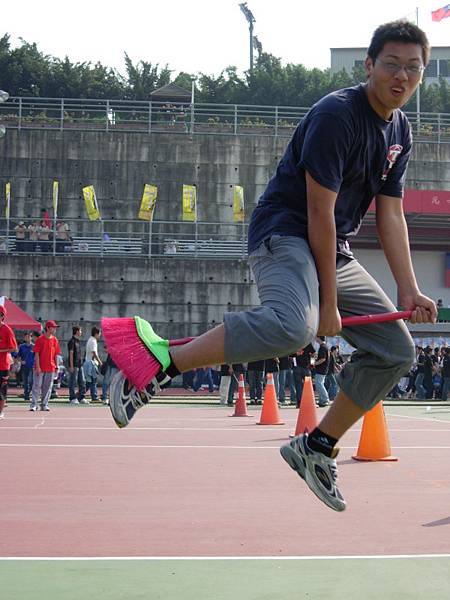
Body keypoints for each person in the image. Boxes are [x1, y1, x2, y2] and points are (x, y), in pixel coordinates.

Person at [107, 20, 436, 512]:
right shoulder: (336, 116)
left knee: (396, 351)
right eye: (391, 64)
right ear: (369, 65)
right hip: (286, 232)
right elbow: (319, 212)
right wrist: (327, 302)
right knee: (294, 326)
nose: (401, 76)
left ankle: (317, 447)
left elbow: (390, 214)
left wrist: (408, 290)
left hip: (334, 247)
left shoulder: (400, 131)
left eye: (414, 68)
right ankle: (163, 362)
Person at [30, 320, 61, 411]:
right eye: (53, 327)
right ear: (48, 328)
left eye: (55, 327)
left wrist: (56, 366)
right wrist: (38, 367)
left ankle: (44, 405)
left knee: (48, 387)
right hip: (40, 367)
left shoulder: (55, 340)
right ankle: (34, 405)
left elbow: (56, 354)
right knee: (36, 386)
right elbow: (36, 354)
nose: (55, 329)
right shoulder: (40, 339)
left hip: (51, 367)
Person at [0, 305, 18, 419]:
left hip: (3, 365)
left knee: (1, 390)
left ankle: (1, 411)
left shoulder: (7, 330)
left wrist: (1, 350)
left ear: (2, 316)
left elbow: (14, 348)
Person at [83, 326, 102, 402]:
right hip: (92, 363)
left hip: (88, 362)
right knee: (93, 380)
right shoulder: (93, 341)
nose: (100, 335)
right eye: (99, 333)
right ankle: (94, 396)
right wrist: (100, 362)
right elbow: (94, 352)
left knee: (89, 381)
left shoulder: (90, 340)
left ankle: (80, 394)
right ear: (96, 334)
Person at [67, 326, 86, 405]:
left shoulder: (78, 341)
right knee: (73, 381)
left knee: (82, 381)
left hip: (79, 365)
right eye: (80, 330)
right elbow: (71, 354)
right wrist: (71, 366)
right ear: (77, 331)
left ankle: (81, 397)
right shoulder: (72, 341)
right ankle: (72, 398)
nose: (81, 332)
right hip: (74, 365)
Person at [17, 331, 35, 403]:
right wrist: (21, 361)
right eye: (26, 337)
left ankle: (29, 393)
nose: (27, 338)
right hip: (24, 366)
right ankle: (26, 396)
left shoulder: (34, 346)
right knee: (25, 381)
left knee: (31, 381)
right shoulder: (21, 346)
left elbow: (37, 356)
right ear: (24, 338)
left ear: (31, 337)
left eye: (29, 336)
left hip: (32, 366)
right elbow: (18, 356)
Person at [313, 336, 330, 407]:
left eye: (316, 337)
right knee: (320, 384)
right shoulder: (325, 347)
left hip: (321, 369)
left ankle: (325, 399)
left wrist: (314, 363)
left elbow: (323, 359)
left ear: (319, 338)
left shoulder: (322, 347)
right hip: (324, 369)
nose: (315, 339)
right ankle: (322, 400)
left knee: (319, 384)